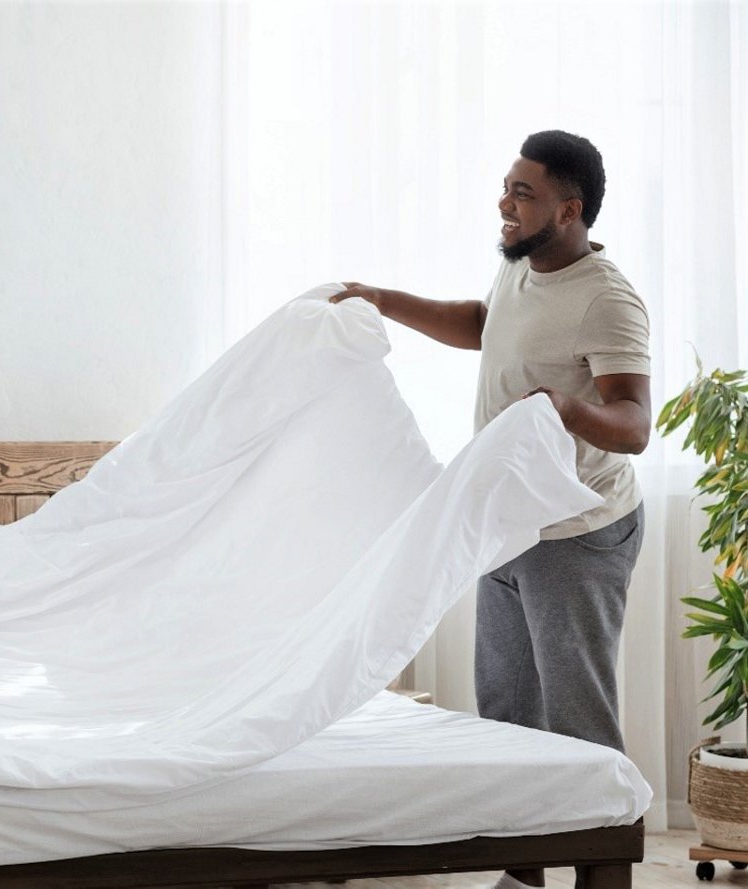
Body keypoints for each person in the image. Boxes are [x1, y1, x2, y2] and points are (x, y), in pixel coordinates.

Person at [331, 131, 649, 889]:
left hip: (577, 532)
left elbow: (634, 422)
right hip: (509, 522)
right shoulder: (522, 266)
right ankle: (523, 873)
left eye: (523, 193)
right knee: (507, 710)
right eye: (507, 188)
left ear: (569, 210)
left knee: (578, 720)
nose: (505, 205)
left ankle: (602, 877)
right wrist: (382, 300)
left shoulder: (607, 298)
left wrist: (566, 409)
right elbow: (485, 325)